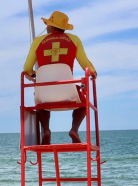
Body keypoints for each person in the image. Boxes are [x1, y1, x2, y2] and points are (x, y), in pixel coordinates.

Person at [21, 11, 97, 145]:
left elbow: (27, 67)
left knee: (40, 102)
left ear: (51, 26)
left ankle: (46, 130)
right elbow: (85, 64)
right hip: (68, 91)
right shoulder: (74, 39)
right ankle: (74, 130)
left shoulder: (37, 41)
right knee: (84, 102)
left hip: (45, 94)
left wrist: (32, 74)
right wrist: (93, 72)